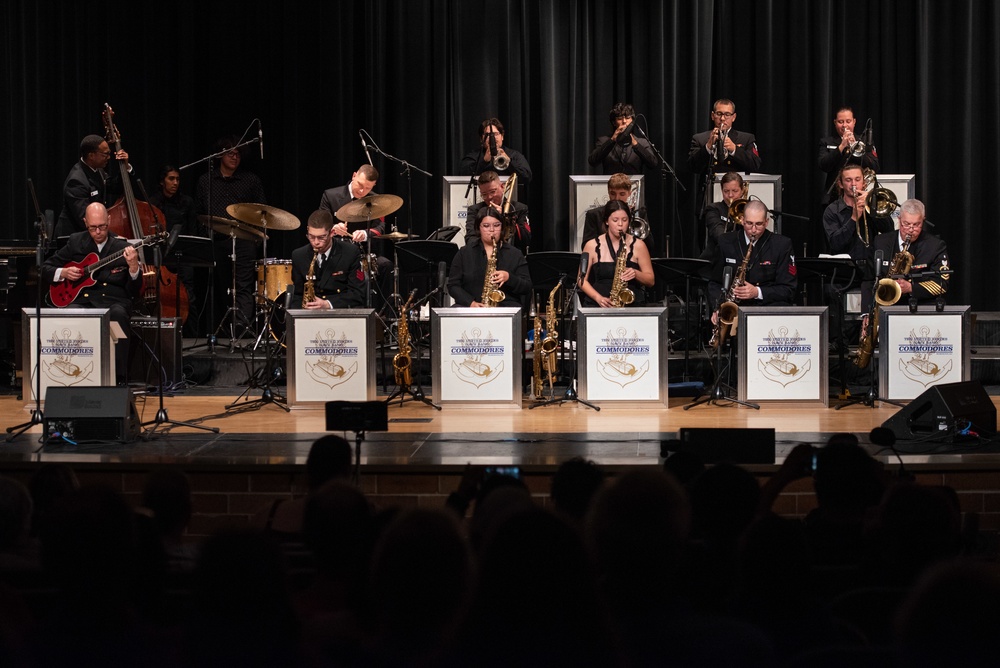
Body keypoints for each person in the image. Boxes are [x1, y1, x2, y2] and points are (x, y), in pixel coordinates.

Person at [43, 202, 142, 383]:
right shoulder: (75, 242)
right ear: (85, 223)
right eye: (93, 227)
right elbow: (45, 267)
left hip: (114, 301)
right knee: (70, 313)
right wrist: (63, 272)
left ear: (109, 220)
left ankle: (119, 376)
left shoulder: (122, 246)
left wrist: (134, 267)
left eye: (102, 227)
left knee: (118, 314)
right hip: (83, 300)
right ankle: (73, 375)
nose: (98, 232)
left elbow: (133, 290)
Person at [195, 137, 266, 332]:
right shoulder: (206, 181)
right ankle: (221, 330)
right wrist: (204, 242)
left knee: (243, 287)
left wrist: (257, 241)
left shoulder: (251, 180)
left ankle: (242, 329)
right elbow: (199, 212)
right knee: (219, 287)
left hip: (244, 241)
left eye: (238, 154)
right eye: (230, 153)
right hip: (216, 241)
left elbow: (262, 213)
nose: (235, 157)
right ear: (219, 156)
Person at [860, 199, 950, 325]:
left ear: (923, 220)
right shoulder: (880, 242)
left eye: (916, 225)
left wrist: (911, 288)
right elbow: (868, 280)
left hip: (921, 307)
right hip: (885, 308)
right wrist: (867, 313)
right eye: (906, 224)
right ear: (899, 219)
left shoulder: (935, 245)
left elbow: (941, 283)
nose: (911, 230)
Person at [708, 200, 797, 323]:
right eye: (749, 223)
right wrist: (718, 307)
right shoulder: (725, 241)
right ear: (742, 220)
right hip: (734, 310)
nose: (753, 230)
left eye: (759, 224)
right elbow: (715, 282)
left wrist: (757, 292)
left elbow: (788, 289)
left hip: (768, 311)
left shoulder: (782, 245)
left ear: (767, 222)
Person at [318, 164, 393, 308]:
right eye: (360, 185)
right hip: (337, 252)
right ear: (354, 176)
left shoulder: (377, 200)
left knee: (387, 266)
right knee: (358, 276)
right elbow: (320, 224)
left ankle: (382, 318)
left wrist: (365, 233)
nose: (362, 191)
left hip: (364, 253)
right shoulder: (331, 195)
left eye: (368, 188)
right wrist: (333, 228)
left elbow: (381, 227)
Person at [148, 165, 201, 335]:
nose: (175, 183)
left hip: (182, 255)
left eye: (178, 179)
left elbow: (193, 231)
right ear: (162, 181)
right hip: (162, 257)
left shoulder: (187, 202)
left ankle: (193, 336)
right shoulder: (153, 203)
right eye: (171, 179)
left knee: (189, 297)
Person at [448, 207, 531, 308]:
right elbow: (453, 285)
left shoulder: (515, 254)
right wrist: (471, 303)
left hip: (505, 309)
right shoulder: (464, 253)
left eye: (496, 225)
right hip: (471, 308)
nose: (492, 230)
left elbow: (527, 286)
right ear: (479, 228)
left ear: (502, 227)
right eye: (486, 226)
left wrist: (509, 277)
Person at [688, 99, 761, 216]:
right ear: (712, 115)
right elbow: (693, 167)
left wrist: (734, 149)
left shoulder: (746, 138)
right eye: (719, 114)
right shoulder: (700, 139)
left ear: (734, 117)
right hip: (709, 196)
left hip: (737, 198)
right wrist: (707, 146)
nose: (722, 119)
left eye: (727, 115)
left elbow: (755, 164)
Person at [580, 200, 655, 308]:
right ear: (606, 221)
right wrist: (598, 298)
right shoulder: (591, 245)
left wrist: (635, 273)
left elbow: (650, 280)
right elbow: (581, 280)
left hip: (631, 305)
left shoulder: (639, 245)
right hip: (598, 305)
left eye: (625, 220)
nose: (620, 224)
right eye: (615, 220)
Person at [56, 134, 133, 237]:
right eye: (105, 154)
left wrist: (126, 167)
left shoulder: (97, 170)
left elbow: (116, 187)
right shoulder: (76, 181)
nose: (109, 158)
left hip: (90, 233)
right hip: (73, 237)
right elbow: (85, 218)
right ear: (91, 156)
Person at [290, 209, 365, 309]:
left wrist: (328, 304)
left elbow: (357, 294)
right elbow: (297, 296)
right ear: (308, 230)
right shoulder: (298, 255)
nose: (316, 242)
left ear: (332, 232)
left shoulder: (350, 253)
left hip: (340, 315)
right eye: (311, 236)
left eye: (321, 237)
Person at [822, 164, 893, 260]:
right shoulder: (832, 210)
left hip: (870, 268)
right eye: (848, 180)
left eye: (857, 179)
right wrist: (853, 218)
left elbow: (889, 229)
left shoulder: (872, 205)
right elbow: (835, 244)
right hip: (845, 269)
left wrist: (871, 207)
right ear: (841, 184)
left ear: (864, 183)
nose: (853, 184)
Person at [818, 106, 880, 206]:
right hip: (834, 197)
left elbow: (875, 166)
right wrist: (841, 147)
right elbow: (823, 165)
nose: (845, 125)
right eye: (840, 122)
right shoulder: (826, 142)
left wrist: (854, 146)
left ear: (854, 121)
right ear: (835, 123)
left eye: (848, 121)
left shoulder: (864, 141)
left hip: (860, 195)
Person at [466, 170, 531, 254]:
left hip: (513, 257)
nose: (489, 197)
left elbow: (526, 240)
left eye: (493, 192)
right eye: (484, 194)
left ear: (502, 187)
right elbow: (470, 239)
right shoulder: (474, 210)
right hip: (484, 256)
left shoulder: (520, 208)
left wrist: (506, 220)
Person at [588, 102, 660, 174]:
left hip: (633, 184)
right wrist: (612, 140)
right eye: (619, 118)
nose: (624, 121)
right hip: (611, 184)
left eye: (628, 118)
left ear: (632, 122)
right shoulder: (603, 140)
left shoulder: (641, 142)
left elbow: (653, 164)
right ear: (614, 122)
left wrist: (635, 145)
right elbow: (592, 161)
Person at [460, 118, 532, 182]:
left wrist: (509, 163)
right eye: (488, 135)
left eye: (495, 134)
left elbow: (526, 177)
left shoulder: (514, 155)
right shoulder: (473, 156)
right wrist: (483, 161)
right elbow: (462, 176)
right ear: (481, 139)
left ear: (502, 136)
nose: (492, 138)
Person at [699, 171, 747, 259]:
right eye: (726, 191)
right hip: (716, 259)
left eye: (735, 191)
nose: (730, 195)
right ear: (722, 190)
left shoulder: (749, 210)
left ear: (742, 190)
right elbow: (718, 234)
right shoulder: (713, 209)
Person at [581, 173, 633, 249]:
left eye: (622, 194)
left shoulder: (638, 213)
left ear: (629, 194)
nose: (617, 198)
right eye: (613, 193)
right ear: (608, 193)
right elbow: (586, 246)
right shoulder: (594, 214)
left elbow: (649, 246)